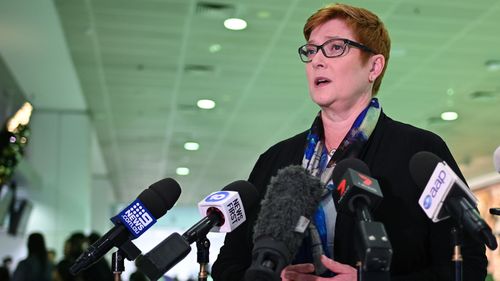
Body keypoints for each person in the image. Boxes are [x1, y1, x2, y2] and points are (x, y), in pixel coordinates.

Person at [211, 3, 487, 281]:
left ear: (374, 66)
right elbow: (227, 266)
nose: (318, 60)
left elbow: (467, 266)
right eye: (311, 50)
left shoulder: (420, 152)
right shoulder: (275, 160)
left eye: (334, 48)